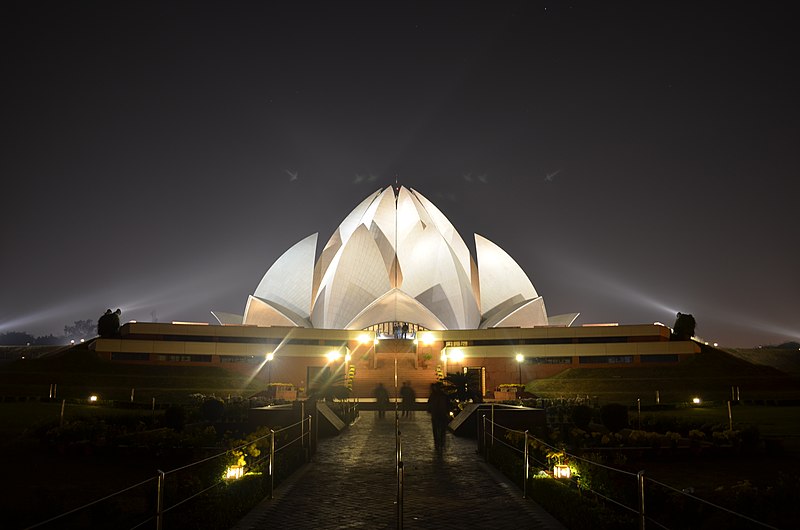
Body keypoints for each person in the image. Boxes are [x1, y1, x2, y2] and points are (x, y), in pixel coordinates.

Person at [426, 383, 450, 449]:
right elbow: (448, 405)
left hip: (437, 414)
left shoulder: (434, 395)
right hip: (440, 414)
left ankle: (438, 441)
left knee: (437, 428)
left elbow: (429, 403)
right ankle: (440, 441)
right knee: (441, 428)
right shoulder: (444, 395)